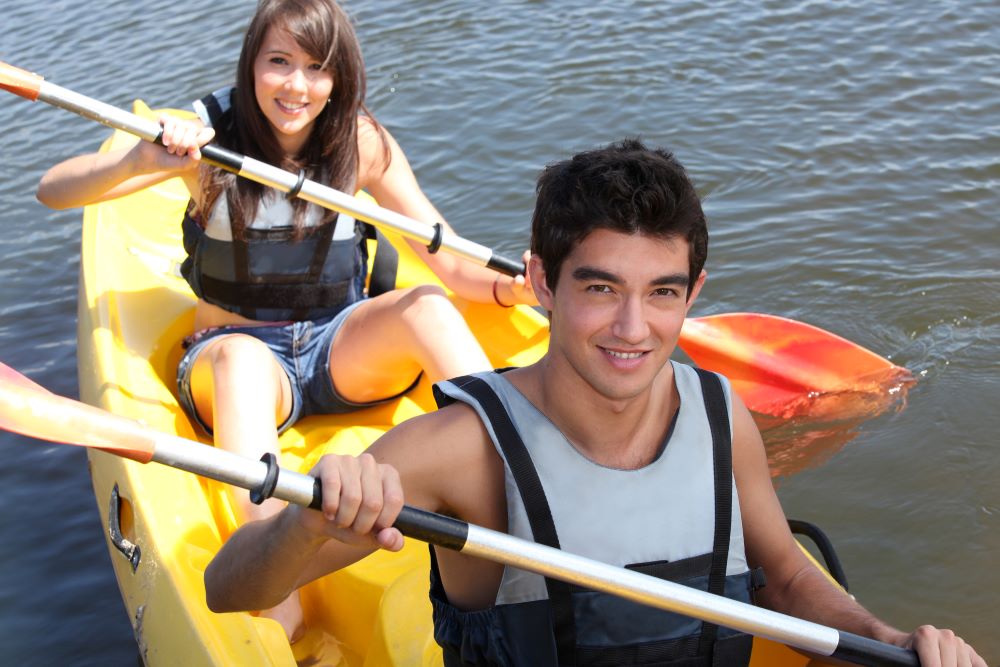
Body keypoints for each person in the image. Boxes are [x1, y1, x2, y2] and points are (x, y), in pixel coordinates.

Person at [203, 139, 985, 666]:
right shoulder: (457, 451)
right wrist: (308, 521)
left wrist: (893, 640)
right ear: (542, 281)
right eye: (601, 287)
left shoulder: (720, 417)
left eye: (662, 293)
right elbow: (232, 587)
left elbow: (783, 575)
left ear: (694, 295)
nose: (633, 328)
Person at [36, 0, 536, 642]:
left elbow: (446, 257)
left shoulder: (361, 142)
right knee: (244, 360)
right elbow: (54, 189)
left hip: (336, 349)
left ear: (339, 78)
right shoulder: (207, 142)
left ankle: (524, 471)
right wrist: (139, 162)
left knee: (428, 307)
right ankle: (268, 564)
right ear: (252, 65)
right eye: (279, 63)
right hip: (237, 360)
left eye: (316, 68)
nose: (297, 86)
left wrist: (511, 290)